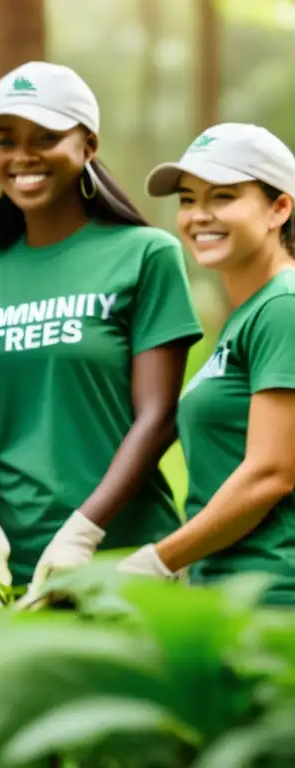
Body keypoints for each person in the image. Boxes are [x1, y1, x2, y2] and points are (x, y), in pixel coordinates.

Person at [0, 61, 204, 607]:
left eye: (46, 137)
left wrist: (84, 530)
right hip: (14, 570)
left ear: (87, 146)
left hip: (125, 559)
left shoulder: (145, 255)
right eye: (6, 140)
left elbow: (158, 417)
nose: (23, 155)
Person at [118, 123, 295, 605]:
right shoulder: (251, 315)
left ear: (280, 207)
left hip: (274, 597)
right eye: (188, 200)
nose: (199, 216)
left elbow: (272, 471)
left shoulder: (284, 306)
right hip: (229, 593)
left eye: (223, 197)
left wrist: (158, 560)